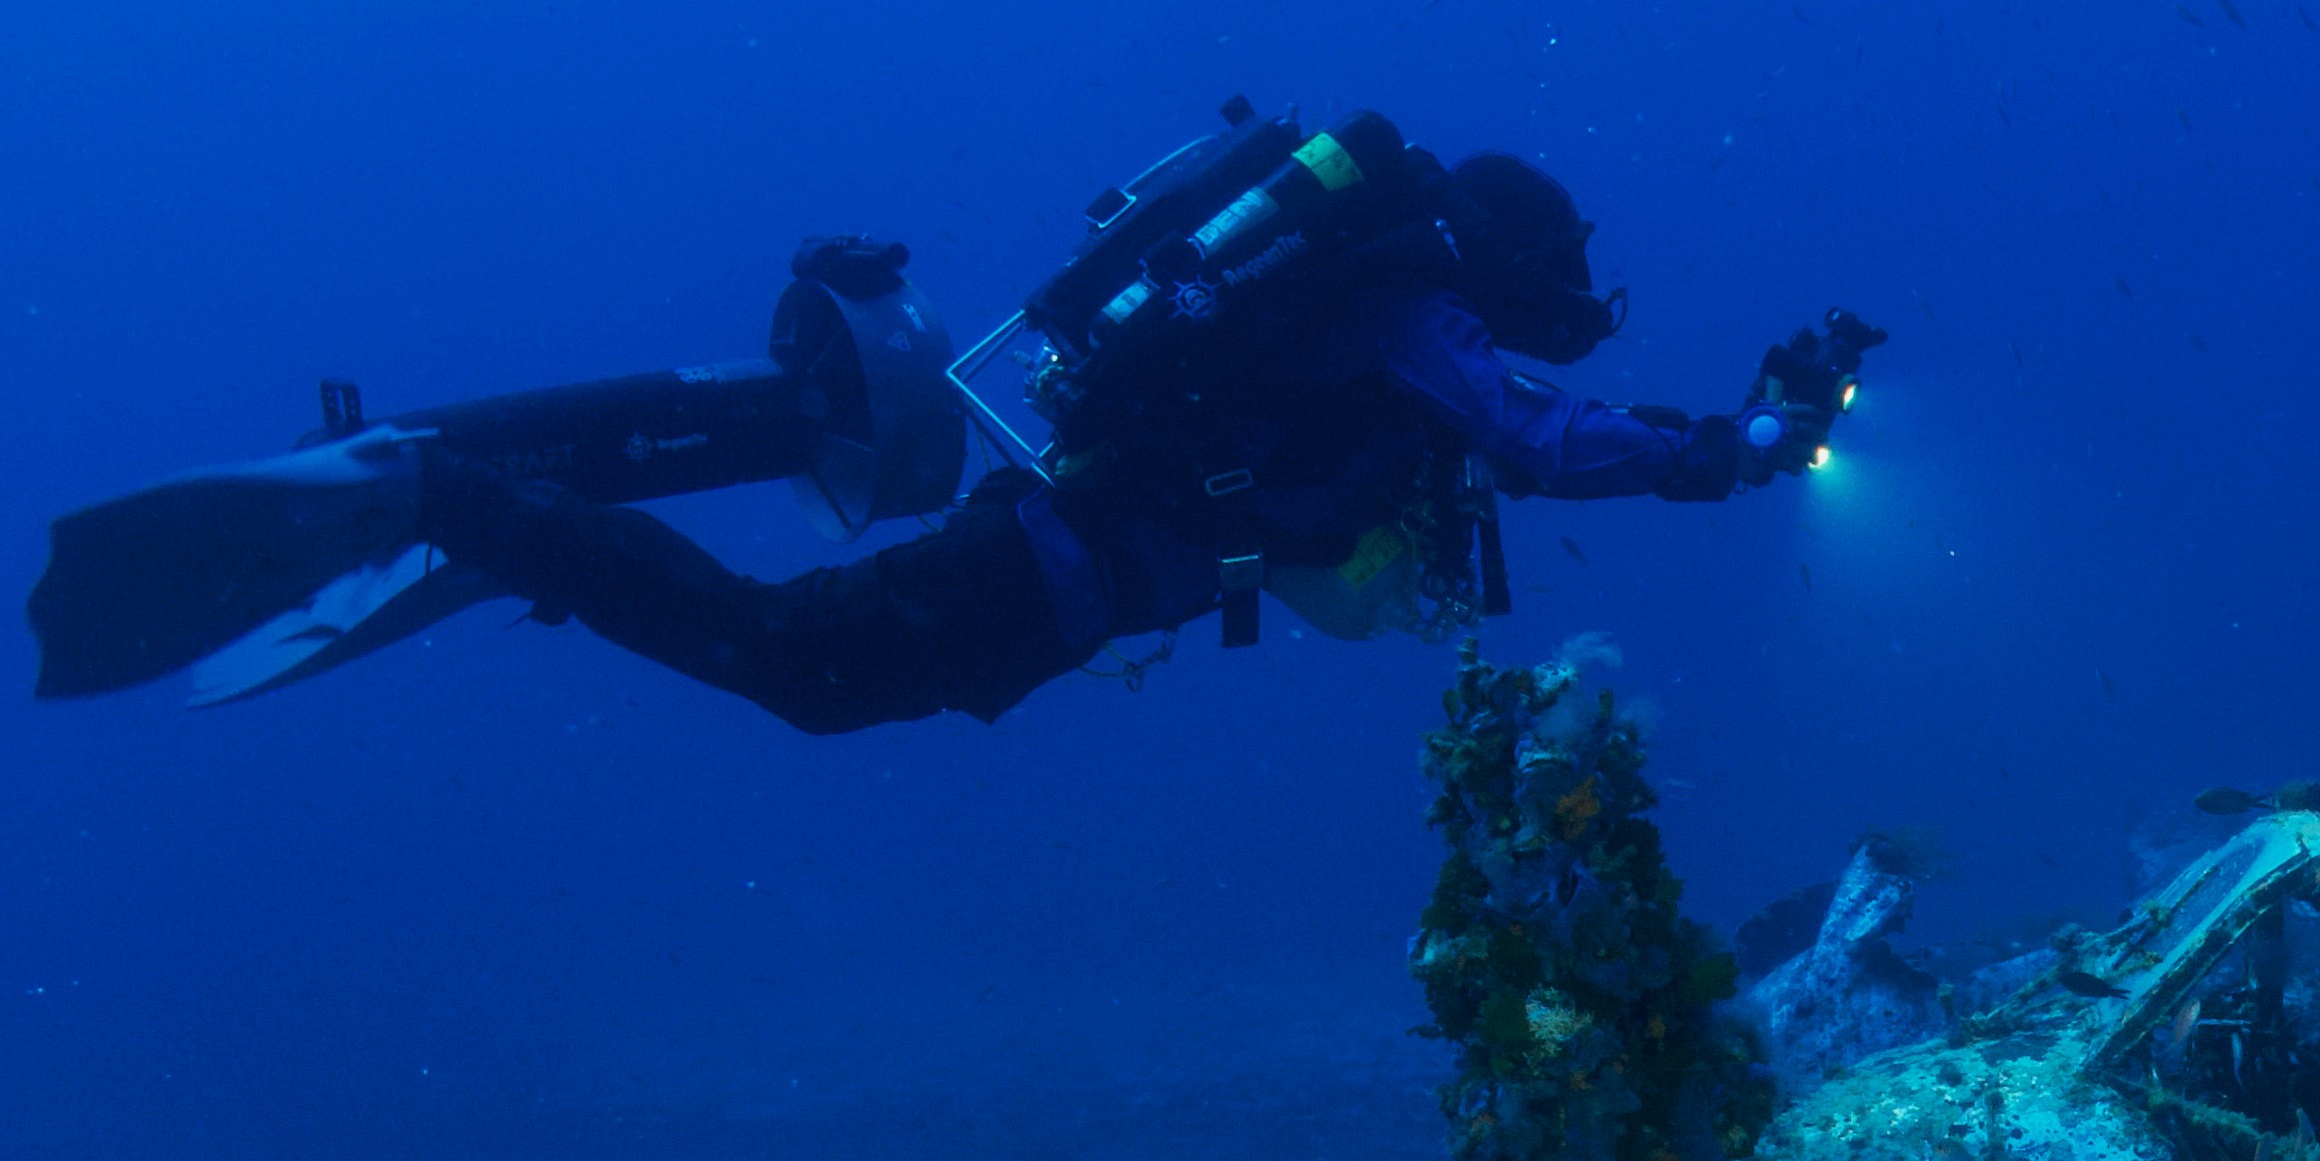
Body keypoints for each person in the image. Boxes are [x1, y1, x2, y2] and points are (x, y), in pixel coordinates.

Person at [384, 153, 1852, 735]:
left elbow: (1402, 512)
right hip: (1052, 564)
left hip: (1064, 571)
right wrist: (1720, 449)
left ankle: (520, 506)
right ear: (1515, 261)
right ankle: (467, 499)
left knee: (796, 658)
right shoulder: (1416, 315)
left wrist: (1703, 435)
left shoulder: (1388, 327)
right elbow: (1539, 433)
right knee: (787, 660)